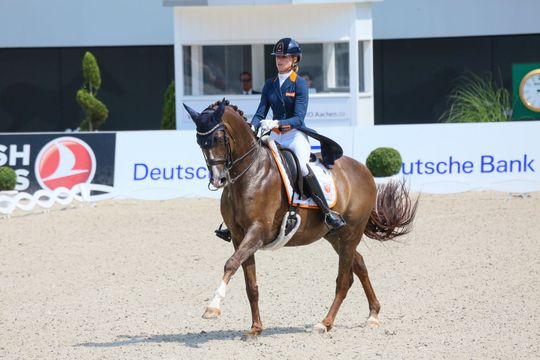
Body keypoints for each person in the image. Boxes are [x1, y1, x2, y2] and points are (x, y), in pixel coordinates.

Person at [215, 38, 345, 242]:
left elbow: (298, 118)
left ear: (294, 59)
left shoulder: (300, 84)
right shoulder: (270, 84)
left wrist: (275, 123)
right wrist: (254, 126)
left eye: (284, 57)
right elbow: (259, 113)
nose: (280, 60)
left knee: (302, 167)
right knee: (247, 165)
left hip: (294, 136)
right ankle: (233, 222)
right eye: (277, 57)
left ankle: (327, 213)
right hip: (273, 136)